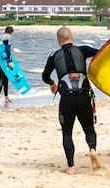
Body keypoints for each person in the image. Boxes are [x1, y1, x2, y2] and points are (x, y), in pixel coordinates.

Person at [41, 26, 99, 175]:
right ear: (72, 37)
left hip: (67, 99)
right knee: (89, 128)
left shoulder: (54, 56)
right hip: (83, 97)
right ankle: (92, 149)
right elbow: (101, 54)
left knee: (67, 133)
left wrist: (52, 84)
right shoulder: (83, 50)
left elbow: (45, 76)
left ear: (58, 41)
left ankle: (71, 167)